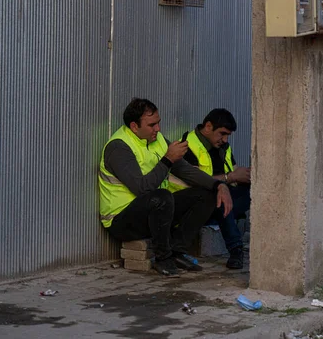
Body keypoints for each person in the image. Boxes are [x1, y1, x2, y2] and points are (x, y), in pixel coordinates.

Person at [98, 98, 233, 277]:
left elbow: (185, 170)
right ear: (134, 126)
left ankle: (176, 251)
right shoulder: (118, 148)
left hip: (153, 212)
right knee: (161, 197)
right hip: (122, 220)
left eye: (158, 123)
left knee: (206, 194)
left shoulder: (157, 139)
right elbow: (142, 188)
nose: (158, 129)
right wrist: (168, 159)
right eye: (152, 125)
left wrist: (219, 185)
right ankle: (163, 257)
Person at [181, 109, 251, 269]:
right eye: (222, 134)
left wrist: (246, 175)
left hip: (220, 200)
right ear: (208, 126)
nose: (225, 139)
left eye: (228, 136)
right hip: (195, 205)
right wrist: (230, 177)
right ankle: (236, 249)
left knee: (255, 191)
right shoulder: (187, 145)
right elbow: (194, 181)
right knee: (217, 197)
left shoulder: (222, 146)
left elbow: (232, 171)